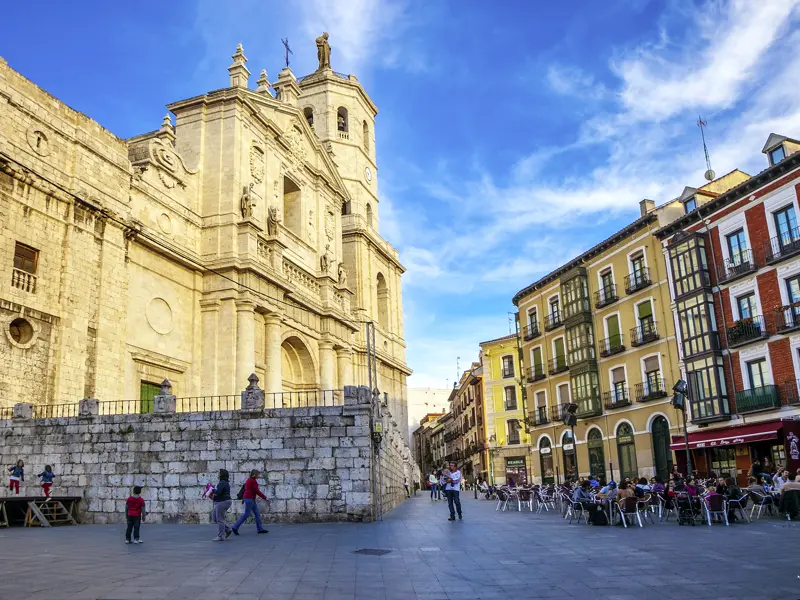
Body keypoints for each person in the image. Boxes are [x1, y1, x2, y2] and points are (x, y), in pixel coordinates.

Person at [231, 469, 269, 536]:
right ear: (254, 475)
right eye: (258, 474)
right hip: (249, 499)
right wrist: (265, 497)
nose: (259, 476)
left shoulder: (250, 480)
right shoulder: (252, 481)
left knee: (257, 513)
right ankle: (235, 527)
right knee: (246, 514)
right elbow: (257, 491)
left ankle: (260, 529)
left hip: (250, 499)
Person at [211, 469, 233, 541]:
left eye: (219, 473)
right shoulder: (223, 482)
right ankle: (227, 529)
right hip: (222, 502)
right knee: (215, 518)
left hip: (223, 502)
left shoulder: (223, 482)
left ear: (221, 474)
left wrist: (212, 489)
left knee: (220, 519)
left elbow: (218, 492)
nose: (218, 474)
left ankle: (221, 536)